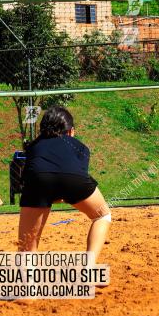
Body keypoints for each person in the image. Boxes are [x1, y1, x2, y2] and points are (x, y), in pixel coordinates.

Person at [18, 105, 111, 260]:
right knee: (102, 216)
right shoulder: (79, 146)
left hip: (37, 179)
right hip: (73, 179)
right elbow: (75, 176)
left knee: (27, 246)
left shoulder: (33, 146)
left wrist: (47, 196)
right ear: (70, 131)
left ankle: (30, 284)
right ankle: (88, 270)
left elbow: (29, 176)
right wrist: (62, 193)